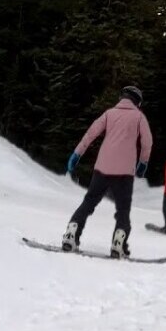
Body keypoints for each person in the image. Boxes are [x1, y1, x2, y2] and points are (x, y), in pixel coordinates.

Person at [62, 86, 153, 258]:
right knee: (123, 210)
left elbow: (90, 134)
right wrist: (142, 164)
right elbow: (147, 142)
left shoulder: (109, 113)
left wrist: (76, 154)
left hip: (102, 167)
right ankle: (119, 242)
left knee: (88, 203)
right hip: (125, 172)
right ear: (137, 101)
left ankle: (72, 232)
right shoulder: (139, 117)